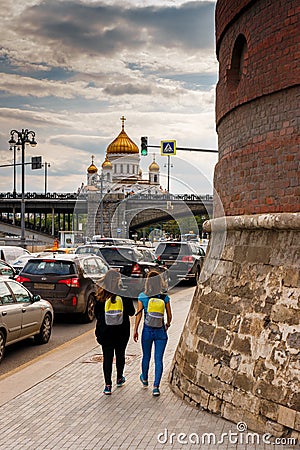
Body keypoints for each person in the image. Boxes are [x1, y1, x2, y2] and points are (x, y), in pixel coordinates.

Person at [95, 269, 135, 395]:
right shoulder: (124, 294)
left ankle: (107, 385)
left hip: (105, 332)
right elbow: (131, 312)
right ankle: (119, 377)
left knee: (107, 358)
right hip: (121, 331)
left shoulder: (101, 295)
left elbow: (97, 314)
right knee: (120, 354)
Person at [134, 270, 172, 397]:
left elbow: (138, 316)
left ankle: (144, 379)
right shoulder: (164, 297)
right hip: (160, 332)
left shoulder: (142, 296)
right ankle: (156, 387)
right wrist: (167, 325)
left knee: (146, 356)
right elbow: (170, 316)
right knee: (158, 359)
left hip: (147, 331)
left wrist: (135, 330)